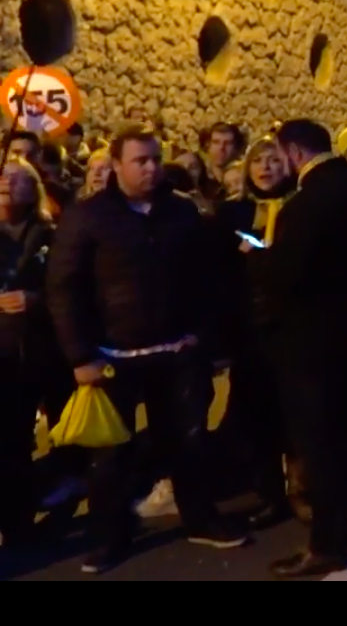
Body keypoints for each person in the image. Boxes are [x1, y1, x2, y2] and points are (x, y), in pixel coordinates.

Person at [47, 125, 246, 574]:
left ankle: (200, 517)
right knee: (111, 458)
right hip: (112, 358)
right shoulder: (89, 217)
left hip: (177, 352)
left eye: (155, 159)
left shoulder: (181, 213)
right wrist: (81, 355)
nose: (151, 167)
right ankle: (109, 537)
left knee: (188, 444)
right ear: (116, 165)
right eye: (141, 160)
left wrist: (203, 334)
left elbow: (208, 278)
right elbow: (64, 288)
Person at [265, 119, 347, 578]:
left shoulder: (303, 205)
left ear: (295, 153)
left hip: (311, 347)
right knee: (343, 443)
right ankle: (337, 529)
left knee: (319, 449)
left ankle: (325, 544)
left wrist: (259, 259)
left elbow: (287, 277)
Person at [213, 136, 304, 528]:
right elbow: (217, 275)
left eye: (273, 160)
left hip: (292, 325)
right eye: (258, 162)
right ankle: (270, 492)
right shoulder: (232, 214)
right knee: (258, 414)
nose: (266, 168)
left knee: (295, 415)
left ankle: (302, 490)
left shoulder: (301, 208)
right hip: (250, 328)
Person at [0, 160, 58, 547]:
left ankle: (17, 521)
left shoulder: (50, 234)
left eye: (18, 178)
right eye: (4, 176)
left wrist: (36, 300)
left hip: (27, 352)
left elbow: (65, 288)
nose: (7, 181)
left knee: (15, 438)